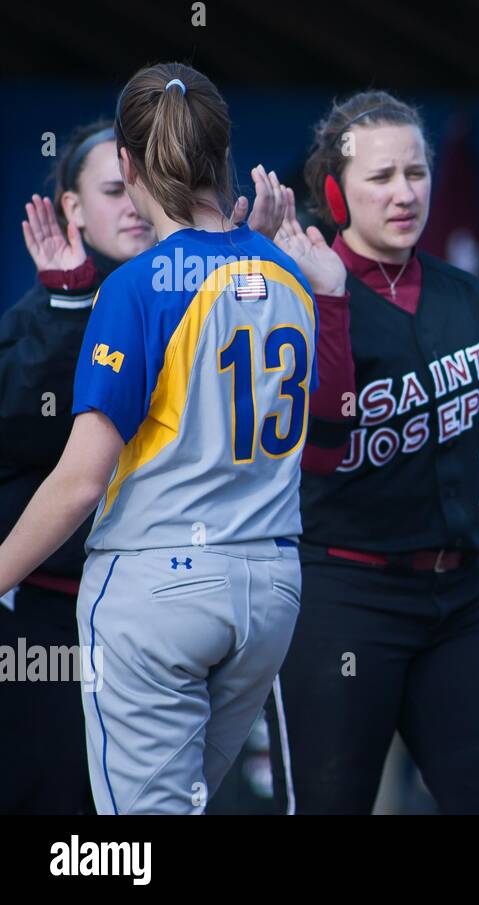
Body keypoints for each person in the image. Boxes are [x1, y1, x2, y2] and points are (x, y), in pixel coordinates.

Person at [0, 62, 314, 815]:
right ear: (222, 155)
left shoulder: (138, 285)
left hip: (160, 584)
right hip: (270, 590)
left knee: (137, 837)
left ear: (134, 165)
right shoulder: (290, 270)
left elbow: (79, 481)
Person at [265, 90, 479, 815]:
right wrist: (331, 304)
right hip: (344, 589)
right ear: (333, 191)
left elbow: (471, 460)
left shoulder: (465, 295)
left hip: (460, 594)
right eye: (380, 177)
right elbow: (317, 452)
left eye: (416, 172)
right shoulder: (297, 294)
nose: (404, 193)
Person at [0, 121, 156, 814]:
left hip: (165, 611)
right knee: (57, 797)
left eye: (148, 187)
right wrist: (68, 304)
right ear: (70, 209)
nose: (135, 205)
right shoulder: (40, 313)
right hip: (50, 612)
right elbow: (23, 435)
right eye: (115, 189)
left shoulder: (196, 297)